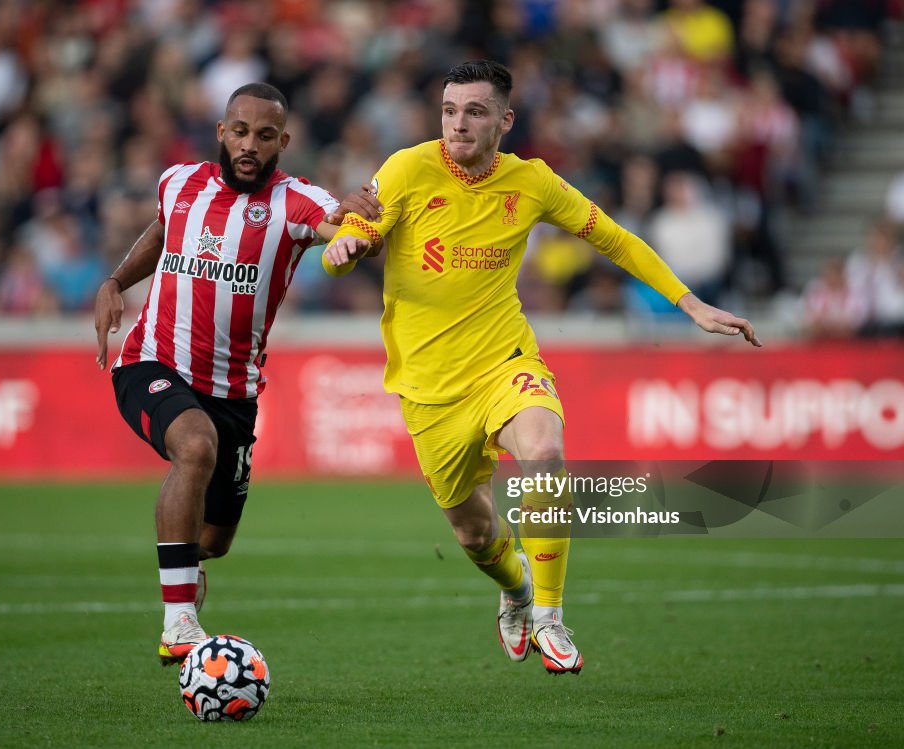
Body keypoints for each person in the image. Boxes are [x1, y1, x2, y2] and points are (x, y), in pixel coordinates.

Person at [322, 60, 760, 675]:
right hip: (427, 388)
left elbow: (613, 237)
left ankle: (551, 617)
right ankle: (518, 588)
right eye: (449, 110)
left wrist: (689, 303)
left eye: (474, 111)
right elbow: (348, 244)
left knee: (544, 449)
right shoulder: (405, 169)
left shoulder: (532, 182)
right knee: (475, 536)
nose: (458, 124)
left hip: (506, 361)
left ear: (505, 119)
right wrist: (344, 248)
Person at [94, 82, 379, 665]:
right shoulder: (180, 183)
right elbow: (160, 231)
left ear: (283, 141)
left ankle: (185, 569)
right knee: (194, 448)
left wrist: (357, 234)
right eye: (241, 131)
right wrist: (116, 282)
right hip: (151, 361)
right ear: (222, 132)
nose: (251, 145)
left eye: (265, 135)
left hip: (234, 392)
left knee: (214, 540)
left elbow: (340, 230)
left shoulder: (298, 200)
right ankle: (179, 624)